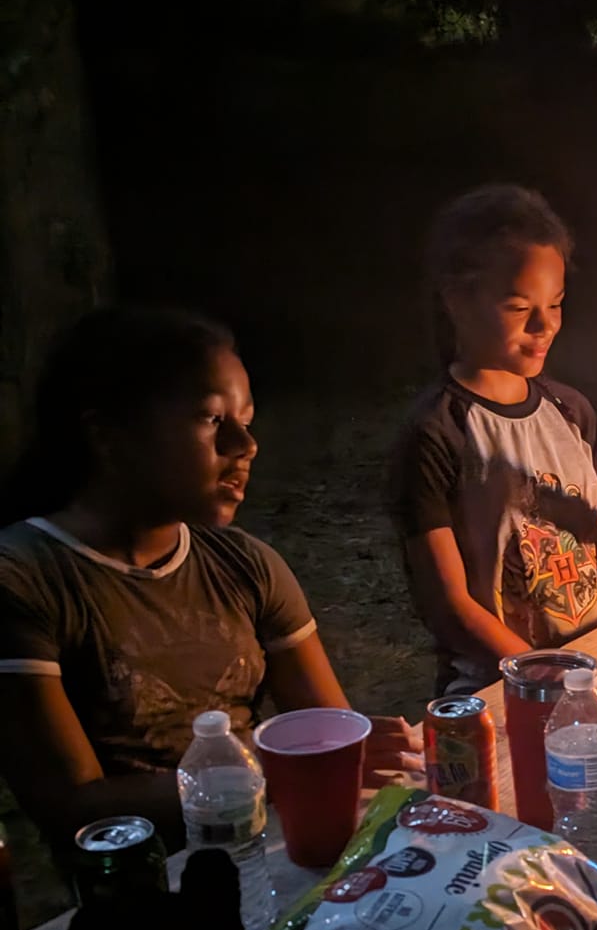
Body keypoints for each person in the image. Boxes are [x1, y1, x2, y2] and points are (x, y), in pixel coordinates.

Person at [0, 307, 419, 863]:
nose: (246, 445)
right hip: (138, 898)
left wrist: (358, 749)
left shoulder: (246, 565)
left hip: (273, 860)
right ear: (107, 434)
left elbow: (326, 729)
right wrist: (278, 771)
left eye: (247, 419)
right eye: (211, 419)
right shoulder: (27, 578)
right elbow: (76, 804)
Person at [388, 186, 597, 696]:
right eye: (520, 308)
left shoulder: (570, 411)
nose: (545, 327)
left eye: (556, 305)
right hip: (501, 687)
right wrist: (547, 677)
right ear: (457, 301)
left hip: (591, 671)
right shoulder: (438, 432)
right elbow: (451, 608)